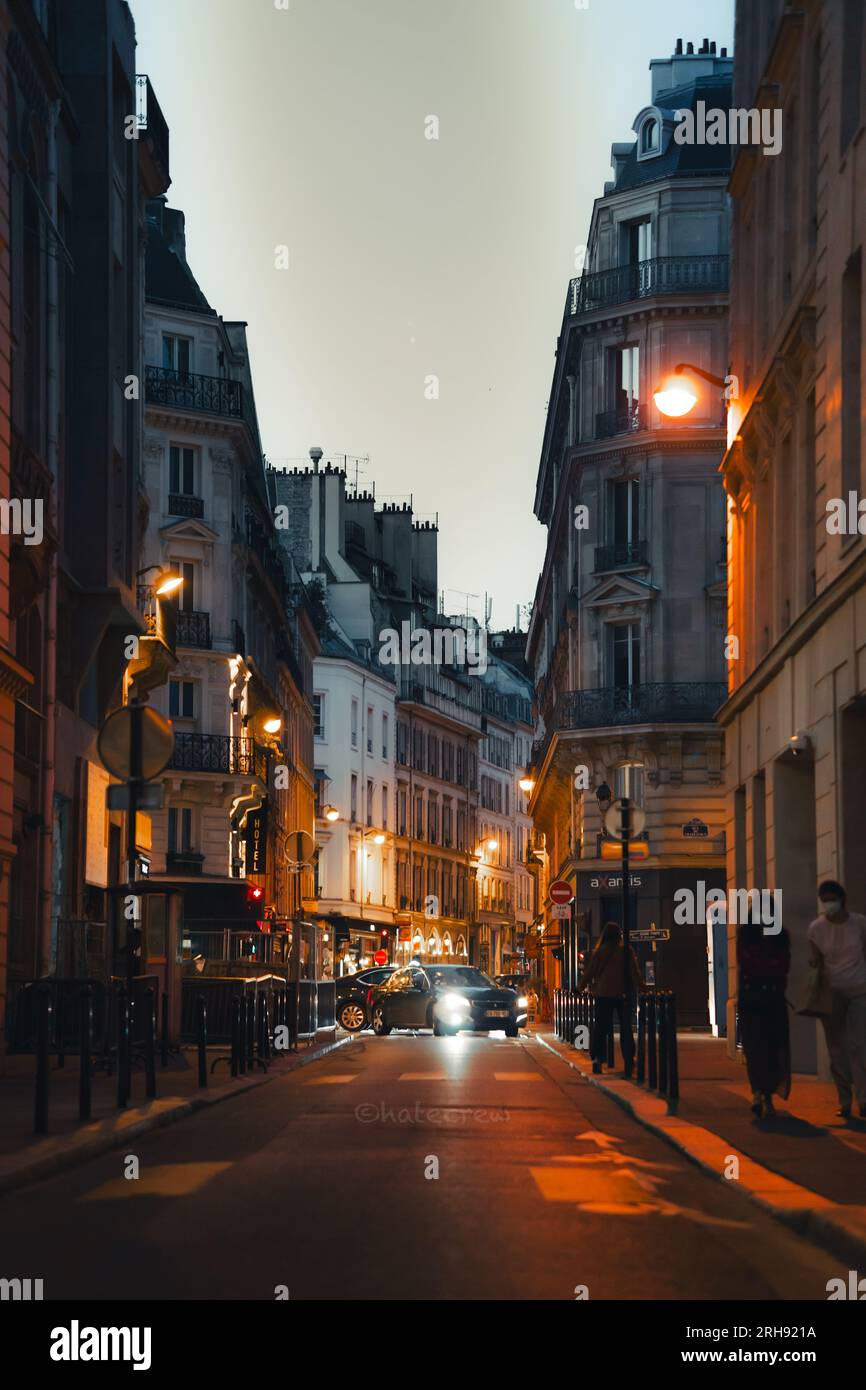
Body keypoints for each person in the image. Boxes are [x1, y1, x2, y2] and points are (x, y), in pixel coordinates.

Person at [807, 880, 866, 1119]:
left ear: (842, 900)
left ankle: (863, 1099)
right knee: (837, 1049)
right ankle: (844, 1101)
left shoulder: (860, 923)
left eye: (832, 899)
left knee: (859, 1046)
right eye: (825, 900)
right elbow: (816, 961)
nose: (829, 904)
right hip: (831, 993)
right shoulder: (816, 929)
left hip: (860, 989)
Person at [736, 915, 791, 1119]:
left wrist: (765, 969)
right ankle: (759, 1094)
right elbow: (749, 964)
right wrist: (770, 968)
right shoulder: (747, 935)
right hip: (754, 1000)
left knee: (772, 1048)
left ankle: (765, 1095)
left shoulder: (780, 936)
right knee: (755, 1049)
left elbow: (783, 966)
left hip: (770, 999)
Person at [578, 921, 641, 1077]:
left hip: (603, 994)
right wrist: (643, 987)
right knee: (626, 1028)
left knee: (601, 1027)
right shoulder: (626, 951)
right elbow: (635, 973)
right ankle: (629, 1059)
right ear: (618, 936)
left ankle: (598, 1059)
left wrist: (580, 987)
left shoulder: (599, 952)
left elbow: (590, 972)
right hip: (622, 994)